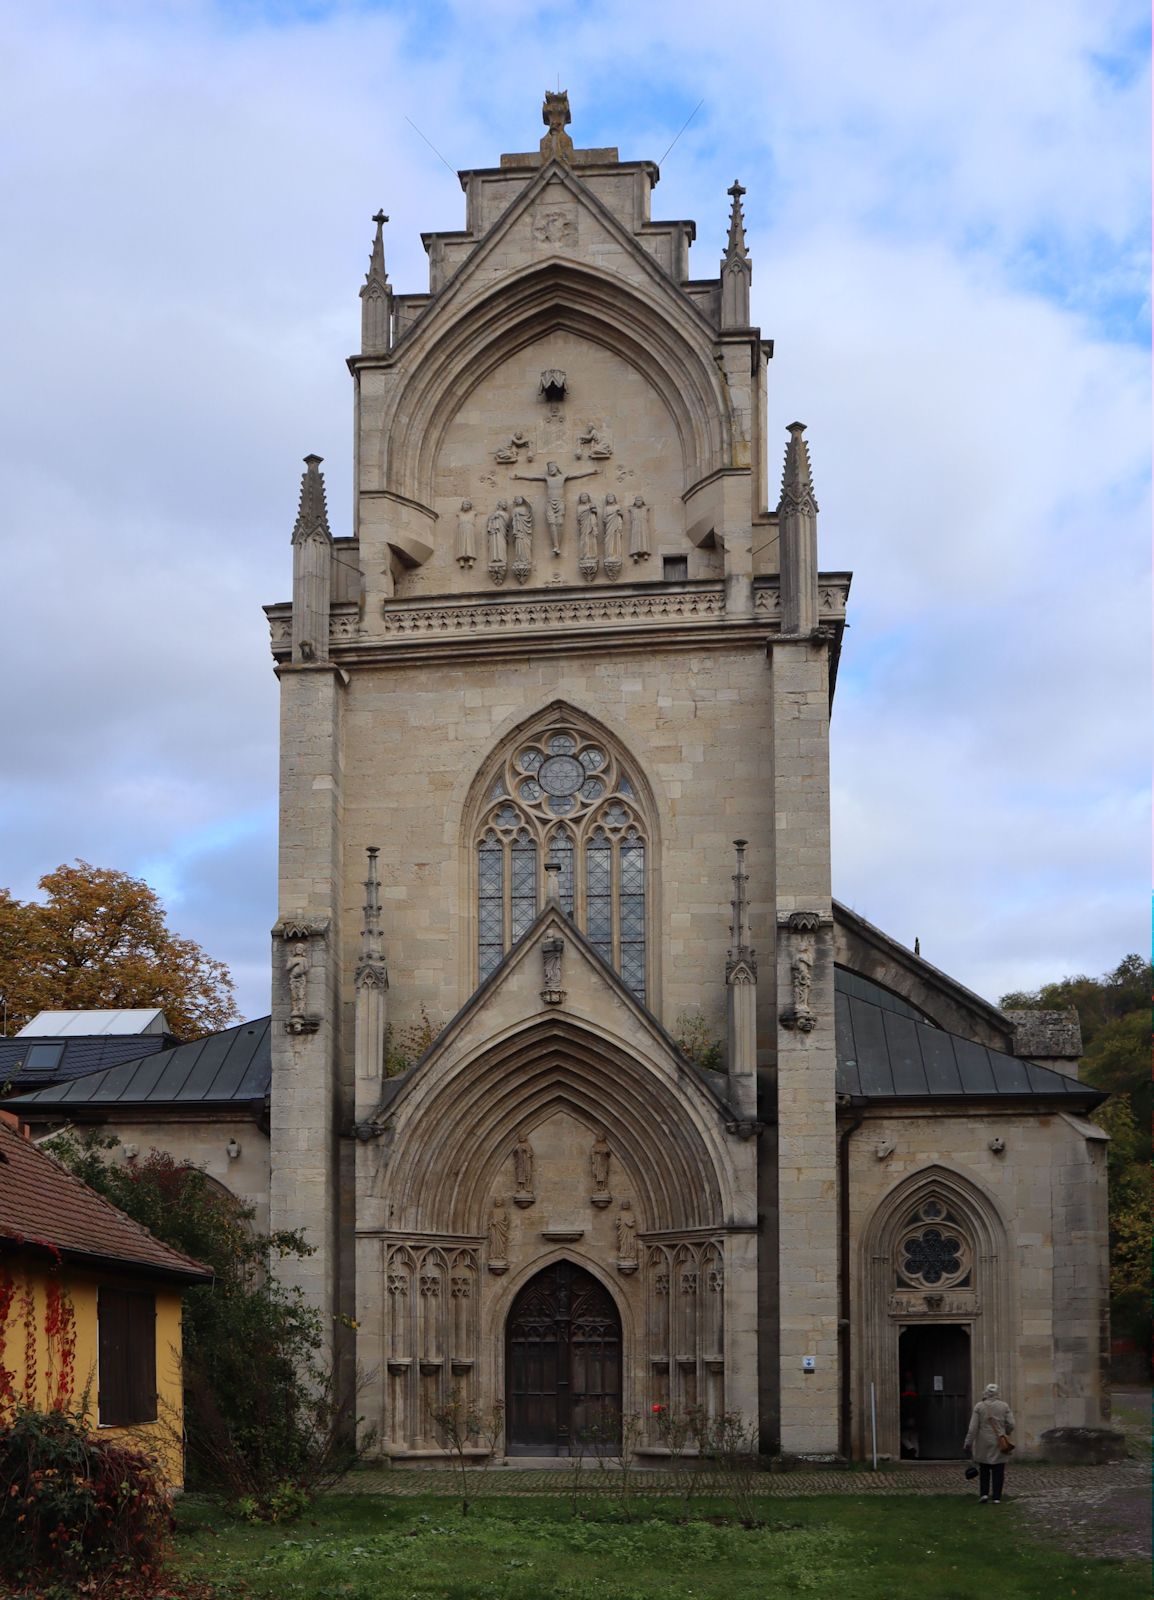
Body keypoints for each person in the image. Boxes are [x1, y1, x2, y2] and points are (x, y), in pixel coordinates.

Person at [964, 1382, 1014, 1502]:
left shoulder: (979, 1406)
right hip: (999, 1440)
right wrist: (1005, 1431)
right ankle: (997, 1497)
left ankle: (984, 1494)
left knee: (984, 1468)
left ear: (985, 1393)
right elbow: (1011, 1424)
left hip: (983, 1441)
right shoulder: (1004, 1406)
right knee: (998, 1469)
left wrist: (968, 1442)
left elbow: (973, 1428)